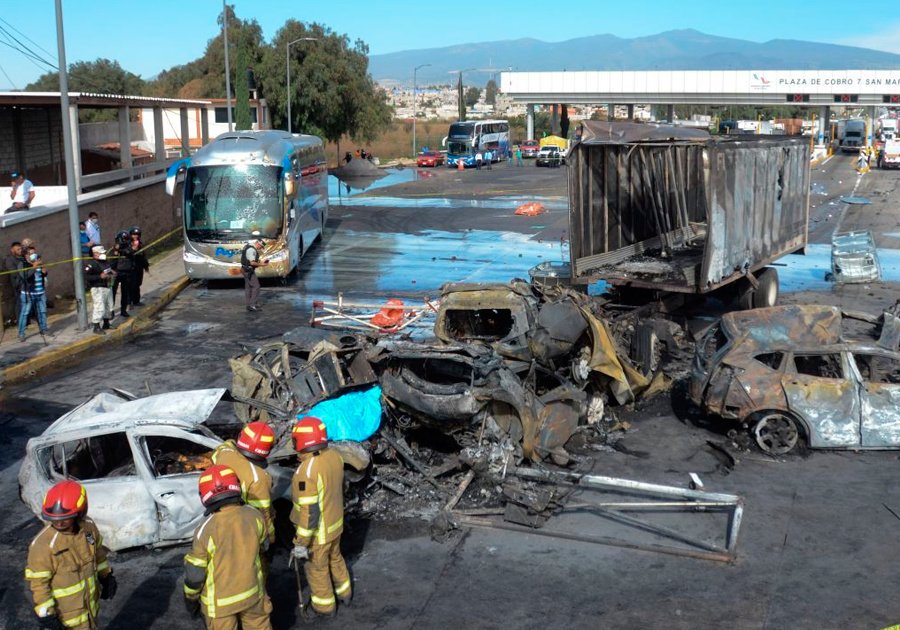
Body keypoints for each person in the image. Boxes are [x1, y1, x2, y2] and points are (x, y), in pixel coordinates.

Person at [183, 464, 272, 629]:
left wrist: (190, 597)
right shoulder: (255, 515)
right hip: (253, 594)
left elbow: (195, 573)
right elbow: (264, 548)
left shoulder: (206, 529)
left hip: (220, 605)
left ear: (204, 495)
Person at [25, 480, 116, 630]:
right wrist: (46, 615)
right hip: (65, 620)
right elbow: (39, 584)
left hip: (89, 612)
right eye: (54, 518)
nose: (59, 523)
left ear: (80, 512)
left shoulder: (88, 530)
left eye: (65, 518)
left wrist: (106, 576)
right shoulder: (43, 546)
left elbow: (97, 552)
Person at [290, 416, 352, 620]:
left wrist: (301, 543)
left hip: (320, 533)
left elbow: (309, 513)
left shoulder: (306, 472)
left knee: (317, 569)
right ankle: (345, 594)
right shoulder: (334, 456)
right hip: (336, 525)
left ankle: (325, 609)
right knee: (336, 558)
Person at [210, 422, 276, 560]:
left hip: (218, 520)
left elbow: (222, 448)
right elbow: (264, 513)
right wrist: (271, 538)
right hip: (244, 527)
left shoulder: (224, 454)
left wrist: (233, 444)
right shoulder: (258, 478)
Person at [17, 246, 51, 341]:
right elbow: (25, 276)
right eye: (31, 253)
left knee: (42, 311)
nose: (33, 255)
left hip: (40, 292)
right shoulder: (22, 264)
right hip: (28, 293)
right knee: (25, 313)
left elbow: (43, 274)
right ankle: (21, 333)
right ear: (26, 255)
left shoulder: (38, 262)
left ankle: (44, 329)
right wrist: (34, 266)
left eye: (34, 253)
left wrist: (44, 269)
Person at [83, 245, 115, 335]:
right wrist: (99, 277)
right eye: (101, 252)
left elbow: (108, 269)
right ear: (95, 254)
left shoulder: (104, 262)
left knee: (108, 306)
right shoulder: (91, 264)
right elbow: (87, 276)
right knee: (99, 307)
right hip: (98, 288)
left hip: (107, 286)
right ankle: (96, 326)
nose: (103, 254)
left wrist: (112, 272)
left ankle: (106, 323)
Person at [240, 232, 269, 312]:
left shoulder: (248, 247)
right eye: (261, 246)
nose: (261, 248)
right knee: (256, 286)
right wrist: (262, 264)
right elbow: (252, 262)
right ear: (257, 243)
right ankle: (253, 305)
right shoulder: (252, 250)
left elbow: (250, 260)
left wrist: (260, 262)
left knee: (248, 288)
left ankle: (249, 305)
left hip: (244, 269)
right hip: (248, 270)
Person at [110, 230, 133, 318]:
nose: (125, 241)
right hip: (116, 273)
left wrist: (120, 250)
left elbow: (130, 253)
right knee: (112, 293)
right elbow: (111, 262)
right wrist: (116, 252)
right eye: (124, 239)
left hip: (126, 273)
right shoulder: (114, 249)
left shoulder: (128, 247)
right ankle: (111, 311)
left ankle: (123, 310)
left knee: (125, 293)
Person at [1, 240, 23, 326]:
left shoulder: (21, 258)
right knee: (16, 304)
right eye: (18, 249)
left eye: (20, 249)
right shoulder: (9, 259)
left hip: (21, 285)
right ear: (12, 250)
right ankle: (16, 320)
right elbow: (13, 272)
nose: (20, 251)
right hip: (14, 286)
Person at [129, 227, 149, 306]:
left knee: (138, 284)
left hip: (139, 266)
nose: (135, 236)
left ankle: (136, 301)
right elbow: (129, 254)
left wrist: (146, 266)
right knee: (132, 285)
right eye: (134, 234)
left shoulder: (140, 243)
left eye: (137, 235)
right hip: (131, 267)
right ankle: (129, 301)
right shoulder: (128, 243)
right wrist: (134, 248)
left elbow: (143, 255)